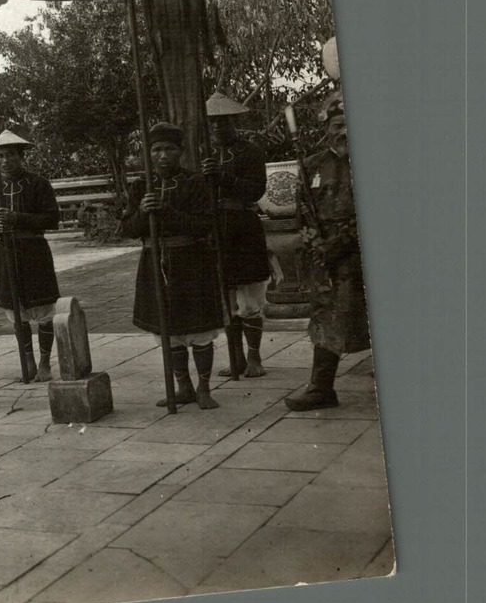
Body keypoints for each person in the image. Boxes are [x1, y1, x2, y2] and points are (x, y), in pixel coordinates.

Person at [121, 122, 227, 410]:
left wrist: (167, 211)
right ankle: (184, 387)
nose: (163, 155)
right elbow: (128, 230)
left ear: (181, 151)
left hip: (192, 262)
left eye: (169, 148)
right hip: (154, 262)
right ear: (149, 154)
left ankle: (204, 387)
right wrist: (143, 212)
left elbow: (205, 225)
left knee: (198, 328)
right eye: (156, 149)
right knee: (168, 330)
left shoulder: (195, 183)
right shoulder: (141, 187)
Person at [286, 91, 371, 410]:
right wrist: (318, 246)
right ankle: (321, 388)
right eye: (338, 124)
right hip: (328, 259)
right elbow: (303, 211)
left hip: (361, 252)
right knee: (327, 316)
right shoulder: (312, 165)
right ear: (326, 129)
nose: (344, 131)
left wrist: (344, 241)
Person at [202, 92, 274, 379]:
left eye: (224, 121)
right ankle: (236, 358)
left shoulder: (250, 152)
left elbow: (256, 190)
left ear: (234, 121)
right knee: (226, 297)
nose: (219, 127)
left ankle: (255, 357)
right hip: (217, 230)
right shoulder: (203, 154)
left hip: (243, 227)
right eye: (213, 123)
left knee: (250, 298)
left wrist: (224, 177)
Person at [0, 130, 63, 382]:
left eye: (11, 155)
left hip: (34, 252)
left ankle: (45, 363)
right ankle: (27, 360)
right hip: (7, 252)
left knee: (43, 308)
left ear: (21, 157)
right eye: (1, 156)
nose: (5, 161)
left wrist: (18, 218)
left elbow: (52, 219)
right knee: (15, 308)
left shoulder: (38, 183)